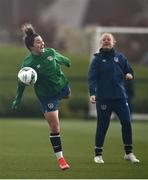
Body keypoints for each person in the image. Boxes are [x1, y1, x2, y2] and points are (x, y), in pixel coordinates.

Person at [12, 23, 71, 170]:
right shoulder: (28, 64)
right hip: (47, 96)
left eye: (42, 40)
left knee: (68, 95)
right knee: (55, 127)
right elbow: (21, 83)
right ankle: (61, 160)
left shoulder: (49, 52)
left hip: (62, 86)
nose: (42, 43)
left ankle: (61, 96)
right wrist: (17, 98)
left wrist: (66, 61)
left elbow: (59, 57)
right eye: (38, 42)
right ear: (31, 47)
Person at [88, 33, 140, 164]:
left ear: (113, 42)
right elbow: (92, 79)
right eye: (103, 39)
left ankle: (129, 153)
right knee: (102, 126)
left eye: (108, 39)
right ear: (101, 43)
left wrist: (129, 75)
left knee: (127, 122)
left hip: (120, 98)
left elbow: (130, 71)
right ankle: (98, 154)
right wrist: (92, 93)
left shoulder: (120, 57)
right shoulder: (97, 60)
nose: (106, 41)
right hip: (103, 99)